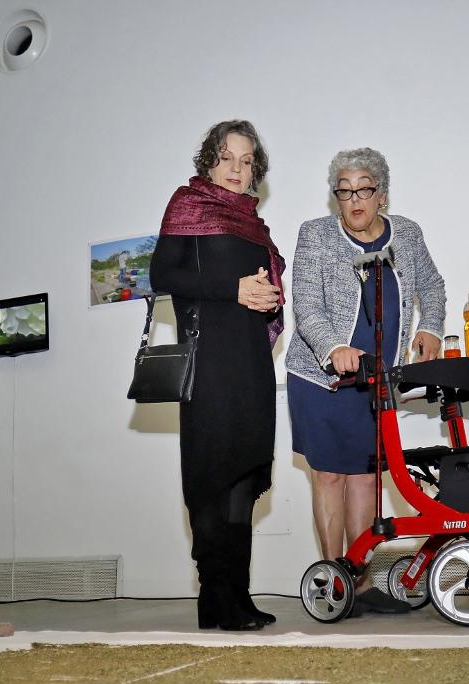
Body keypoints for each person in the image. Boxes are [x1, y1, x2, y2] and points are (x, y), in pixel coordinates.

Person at [284, 148, 447, 614]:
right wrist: (334, 347)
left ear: (382, 194)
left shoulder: (408, 234)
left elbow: (431, 287)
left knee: (365, 480)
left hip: (374, 382)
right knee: (330, 475)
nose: (354, 200)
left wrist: (430, 327)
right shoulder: (315, 235)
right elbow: (306, 303)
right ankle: (333, 579)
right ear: (336, 197)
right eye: (345, 191)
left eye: (364, 190)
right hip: (318, 378)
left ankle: (359, 582)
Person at [150, 119, 285, 631]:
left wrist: (269, 294)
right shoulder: (187, 206)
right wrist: (233, 289)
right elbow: (162, 275)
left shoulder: (254, 223)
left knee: (243, 477)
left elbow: (262, 289)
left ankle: (237, 595)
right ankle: (215, 597)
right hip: (208, 362)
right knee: (212, 476)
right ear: (210, 160)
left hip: (251, 362)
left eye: (247, 160)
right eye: (228, 156)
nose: (237, 168)